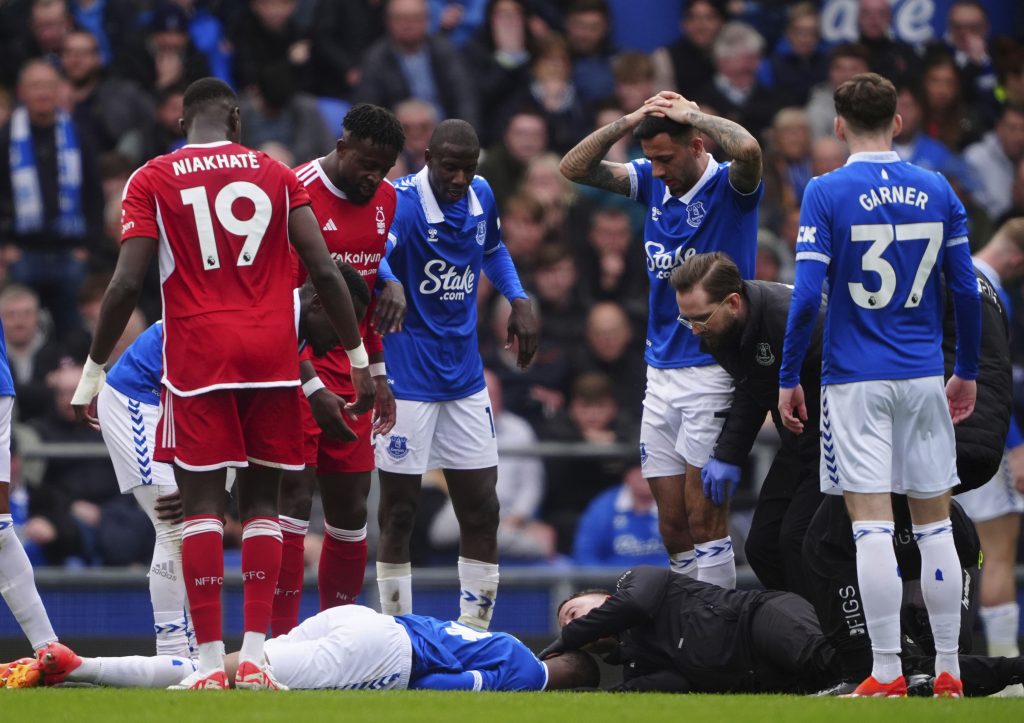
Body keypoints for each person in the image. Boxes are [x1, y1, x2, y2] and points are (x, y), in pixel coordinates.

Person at [68, 78, 373, 691]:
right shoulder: (279, 174)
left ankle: (209, 665)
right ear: (236, 119)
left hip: (198, 354)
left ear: (184, 122)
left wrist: (93, 369)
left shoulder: (152, 178)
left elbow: (126, 283)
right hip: (271, 355)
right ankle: (256, 658)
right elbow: (322, 268)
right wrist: (360, 356)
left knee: (200, 510)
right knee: (264, 505)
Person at [778, 72, 982, 698]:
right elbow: (966, 291)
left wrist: (788, 376)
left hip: (855, 381)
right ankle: (948, 667)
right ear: (897, 121)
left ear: (838, 125)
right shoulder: (937, 186)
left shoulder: (825, 190)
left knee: (869, 526)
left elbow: (808, 295)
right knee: (934, 526)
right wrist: (966, 370)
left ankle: (888, 671)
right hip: (923, 376)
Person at [97, 261, 372, 656]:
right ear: (317, 304)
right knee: (176, 525)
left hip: (188, 397)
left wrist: (213, 481)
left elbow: (233, 405)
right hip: (141, 396)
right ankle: (173, 651)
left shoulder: (286, 326)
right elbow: (214, 391)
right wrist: (202, 479)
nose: (347, 340)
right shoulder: (268, 318)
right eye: (346, 323)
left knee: (189, 519)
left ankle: (191, 653)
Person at [559, 89, 763, 587]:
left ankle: (716, 634)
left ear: (697, 144)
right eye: (651, 158)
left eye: (667, 158)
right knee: (671, 525)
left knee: (705, 519)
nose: (659, 168)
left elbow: (751, 150)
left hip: (713, 372)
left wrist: (691, 114)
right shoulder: (652, 181)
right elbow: (573, 168)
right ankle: (691, 623)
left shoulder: (729, 187)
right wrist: (632, 118)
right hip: (660, 375)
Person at [375, 118, 538, 630]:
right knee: (400, 512)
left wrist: (518, 297)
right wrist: (388, 281)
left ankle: (474, 630)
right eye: (450, 167)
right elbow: (367, 258)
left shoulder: (481, 194)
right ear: (428, 159)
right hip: (407, 379)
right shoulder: (399, 203)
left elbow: (491, 250)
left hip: (465, 380)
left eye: (469, 168)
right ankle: (396, 630)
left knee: (482, 509)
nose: (460, 179)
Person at [271, 104, 406, 636]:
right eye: (367, 164)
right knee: (294, 500)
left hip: (352, 369)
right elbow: (276, 301)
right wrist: (307, 383)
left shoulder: (387, 200)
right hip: (291, 361)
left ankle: (336, 637)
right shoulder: (294, 190)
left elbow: (364, 297)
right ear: (342, 145)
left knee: (351, 508)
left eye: (386, 166)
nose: (375, 177)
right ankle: (274, 641)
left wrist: (377, 371)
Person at [540, 566, 1024, 696]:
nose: (574, 620)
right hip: (769, 673)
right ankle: (984, 673)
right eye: (567, 620)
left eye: (576, 609)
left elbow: (638, 604)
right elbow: (677, 685)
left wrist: (558, 647)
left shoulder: (637, 582)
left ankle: (990, 665)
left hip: (764, 620)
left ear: (601, 597)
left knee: (834, 664)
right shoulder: (638, 657)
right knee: (882, 676)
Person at [672, 252, 823, 597]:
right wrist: (729, 454)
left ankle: (824, 635)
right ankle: (798, 625)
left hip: (838, 442)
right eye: (687, 320)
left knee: (799, 539)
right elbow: (753, 386)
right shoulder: (720, 330)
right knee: (762, 546)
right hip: (800, 442)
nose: (694, 330)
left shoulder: (791, 318)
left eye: (700, 319)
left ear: (734, 303)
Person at [2, 606, 598, 691]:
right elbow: (449, 688)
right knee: (225, 686)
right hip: (386, 655)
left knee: (227, 666)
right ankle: (81, 671)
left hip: (364, 618)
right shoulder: (529, 672)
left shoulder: (506, 642)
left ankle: (78, 667)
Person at [956, 218, 1024, 674]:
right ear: (1017, 259)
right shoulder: (991, 290)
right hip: (986, 437)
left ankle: (944, 659)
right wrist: (1016, 445)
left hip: (943, 433)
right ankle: (1004, 668)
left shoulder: (952, 273)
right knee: (997, 554)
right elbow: (994, 377)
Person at [572, 465, 667, 568]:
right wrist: (604, 580)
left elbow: (684, 555)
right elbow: (585, 554)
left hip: (666, 580)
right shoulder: (604, 506)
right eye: (637, 470)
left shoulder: (674, 504)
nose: (644, 475)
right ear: (627, 476)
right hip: (611, 581)